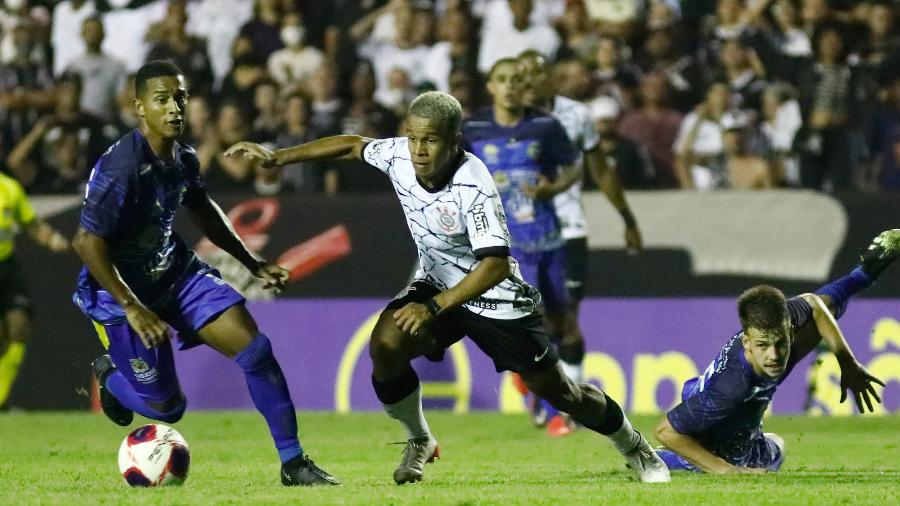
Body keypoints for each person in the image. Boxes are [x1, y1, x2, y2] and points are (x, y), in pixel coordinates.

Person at [225, 91, 670, 484]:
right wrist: (278, 156)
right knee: (386, 344)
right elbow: (353, 145)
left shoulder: (473, 184)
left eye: (430, 140)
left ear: (454, 141)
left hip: (493, 298)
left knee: (562, 394)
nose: (417, 149)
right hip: (438, 283)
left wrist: (434, 308)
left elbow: (493, 265)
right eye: (412, 137)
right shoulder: (400, 153)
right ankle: (419, 439)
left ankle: (633, 444)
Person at [71, 61, 337, 487]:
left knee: (256, 352)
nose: (175, 108)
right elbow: (86, 243)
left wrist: (253, 263)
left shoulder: (183, 158)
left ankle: (294, 463)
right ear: (140, 107)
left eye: (180, 97)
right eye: (162, 100)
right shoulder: (122, 167)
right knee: (166, 410)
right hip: (121, 297)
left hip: (174, 274)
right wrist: (132, 308)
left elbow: (206, 215)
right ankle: (112, 378)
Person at [654, 230, 897, 474]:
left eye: (780, 343)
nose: (774, 355)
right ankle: (654, 456)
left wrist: (847, 362)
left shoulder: (775, 320)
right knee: (753, 455)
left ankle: (864, 272)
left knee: (777, 447)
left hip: (742, 415)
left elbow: (815, 302)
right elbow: (665, 430)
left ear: (789, 331)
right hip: (716, 437)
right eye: (762, 346)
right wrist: (728, 471)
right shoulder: (731, 388)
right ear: (747, 343)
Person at [518, 50, 643, 436]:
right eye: (522, 75)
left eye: (538, 73)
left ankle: (566, 406)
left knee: (568, 319)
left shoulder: (576, 117)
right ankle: (541, 390)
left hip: (568, 228)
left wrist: (627, 218)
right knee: (532, 321)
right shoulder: (503, 124)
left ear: (551, 78)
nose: (530, 81)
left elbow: (600, 171)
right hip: (521, 232)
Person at [461, 58, 579, 431]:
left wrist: (554, 188)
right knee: (537, 320)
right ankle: (550, 406)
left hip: (549, 236)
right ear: (491, 86)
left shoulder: (544, 125)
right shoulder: (473, 129)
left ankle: (535, 386)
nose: (510, 86)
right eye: (502, 80)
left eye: (515, 80)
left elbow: (574, 165)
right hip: (504, 244)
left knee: (562, 324)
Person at [0, 171, 70, 410]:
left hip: (6, 267)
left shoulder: (9, 187)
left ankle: (1, 398)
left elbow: (30, 224)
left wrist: (51, 240)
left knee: (18, 327)